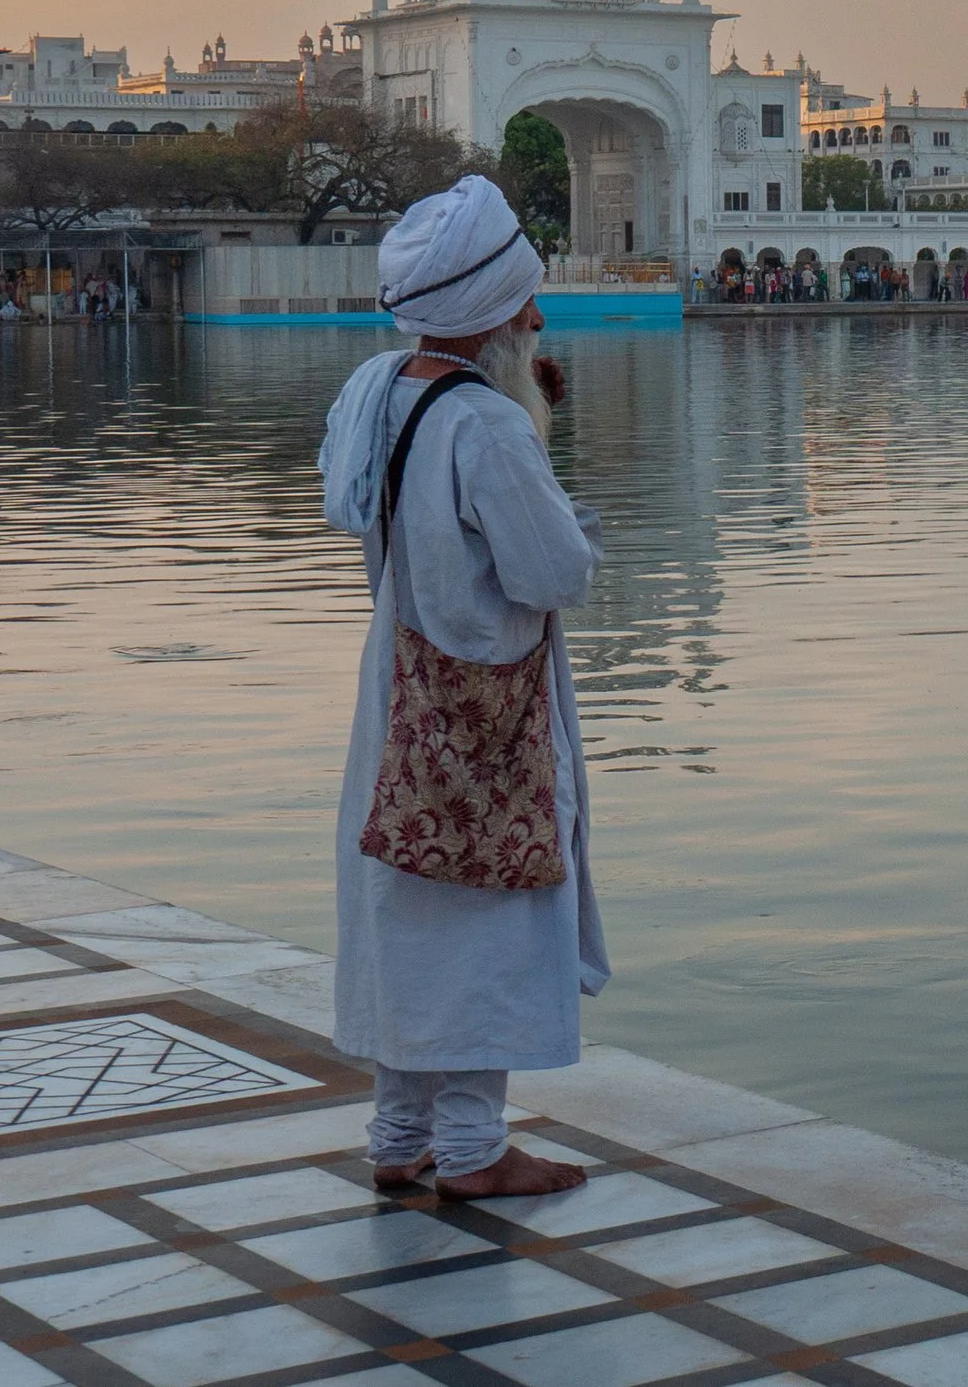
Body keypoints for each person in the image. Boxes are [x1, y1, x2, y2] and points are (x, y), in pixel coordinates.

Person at [318, 176, 605, 1201]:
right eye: (525, 301)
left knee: (410, 910)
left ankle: (399, 1136)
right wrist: (536, 451)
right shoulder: (484, 424)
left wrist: (523, 415)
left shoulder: (379, 390)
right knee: (489, 912)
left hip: (398, 687)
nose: (538, 317)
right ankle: (475, 1148)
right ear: (489, 311)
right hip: (486, 709)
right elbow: (553, 572)